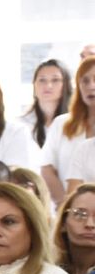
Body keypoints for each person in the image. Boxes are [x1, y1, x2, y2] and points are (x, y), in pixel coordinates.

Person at [46, 56, 95, 202]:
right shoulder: (61, 123)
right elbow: (46, 167)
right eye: (85, 81)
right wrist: (65, 206)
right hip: (71, 205)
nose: (91, 86)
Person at [19, 58, 71, 152]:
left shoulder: (76, 121)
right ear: (34, 84)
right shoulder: (21, 124)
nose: (48, 85)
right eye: (42, 80)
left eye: (55, 80)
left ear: (66, 85)